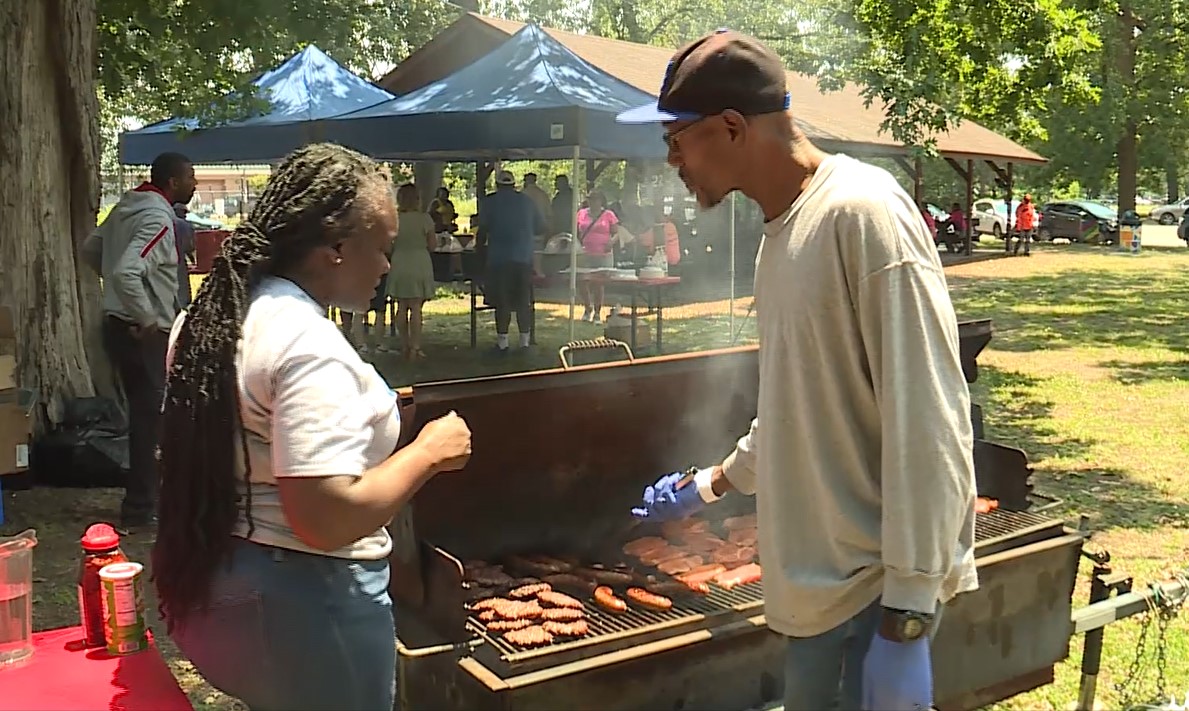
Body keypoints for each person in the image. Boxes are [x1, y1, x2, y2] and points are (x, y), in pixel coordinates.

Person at [619, 30, 977, 711]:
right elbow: (798, 405)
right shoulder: (780, 231)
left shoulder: (861, 212)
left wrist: (907, 611)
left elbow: (928, 417)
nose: (670, 159)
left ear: (730, 127)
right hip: (816, 597)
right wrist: (710, 484)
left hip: (868, 598)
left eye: (676, 139)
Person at [153, 143, 472, 710]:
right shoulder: (307, 344)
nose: (387, 266)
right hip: (308, 604)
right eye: (383, 248)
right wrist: (427, 452)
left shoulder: (210, 317)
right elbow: (325, 517)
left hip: (220, 584)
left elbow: (254, 426)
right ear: (337, 250)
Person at [80, 151, 196, 531]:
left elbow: (91, 251)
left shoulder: (125, 208)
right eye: (191, 177)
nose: (195, 184)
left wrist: (119, 294)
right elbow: (127, 271)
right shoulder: (157, 218)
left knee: (146, 418)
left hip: (118, 324)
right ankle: (143, 507)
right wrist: (145, 315)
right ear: (174, 182)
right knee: (150, 421)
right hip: (142, 331)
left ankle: (150, 500)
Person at [475, 170, 544, 353]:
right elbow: (540, 227)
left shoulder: (490, 202)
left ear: (497, 185)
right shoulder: (528, 202)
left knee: (502, 301)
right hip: (523, 258)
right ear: (514, 184)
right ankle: (524, 341)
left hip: (499, 259)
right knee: (523, 300)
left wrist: (478, 250)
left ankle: (503, 342)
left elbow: (482, 230)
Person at [386, 183, 437, 360]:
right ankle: (415, 347)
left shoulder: (395, 219)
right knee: (416, 307)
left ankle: (404, 345)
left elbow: (388, 245)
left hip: (400, 261)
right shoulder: (425, 219)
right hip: (419, 261)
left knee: (401, 306)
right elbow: (433, 245)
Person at [576, 190, 619, 323]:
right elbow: (576, 231)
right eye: (590, 199)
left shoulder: (608, 215)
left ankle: (597, 312)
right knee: (582, 281)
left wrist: (611, 242)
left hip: (603, 254)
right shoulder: (581, 213)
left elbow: (617, 233)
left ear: (601, 201)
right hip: (584, 253)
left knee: (598, 284)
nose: (592, 202)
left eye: (595, 199)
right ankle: (587, 308)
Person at [172, 203, 196, 308]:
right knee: (182, 294)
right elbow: (189, 246)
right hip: (179, 263)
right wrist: (192, 259)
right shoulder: (185, 226)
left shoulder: (163, 221)